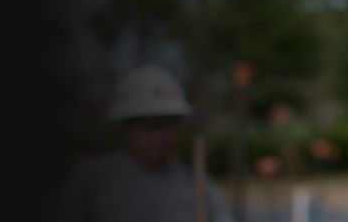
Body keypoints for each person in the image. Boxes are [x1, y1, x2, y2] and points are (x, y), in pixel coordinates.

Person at [53, 64, 235, 222]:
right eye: (149, 126)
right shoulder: (92, 183)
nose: (159, 136)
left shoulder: (198, 185)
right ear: (125, 128)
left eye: (168, 124)